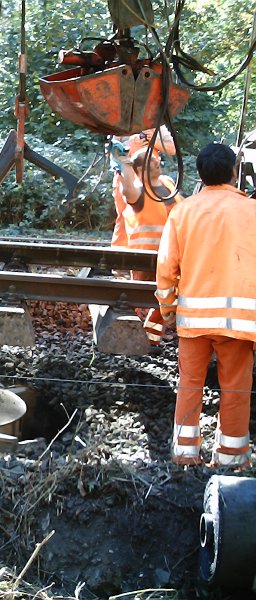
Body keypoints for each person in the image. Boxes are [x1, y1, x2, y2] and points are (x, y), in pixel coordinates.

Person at [155, 142, 256, 467]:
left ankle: (185, 454)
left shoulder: (183, 212)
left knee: (189, 384)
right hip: (240, 323)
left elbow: (166, 268)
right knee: (236, 388)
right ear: (234, 173)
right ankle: (231, 457)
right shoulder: (252, 212)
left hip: (193, 321)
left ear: (199, 174)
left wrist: (168, 310)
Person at [117, 146, 182, 345]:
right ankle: (121, 333)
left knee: (168, 296)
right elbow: (127, 190)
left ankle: (150, 338)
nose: (155, 162)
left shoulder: (169, 184)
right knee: (135, 298)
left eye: (154, 159)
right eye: (149, 160)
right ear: (139, 170)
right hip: (144, 258)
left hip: (171, 255)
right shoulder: (138, 191)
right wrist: (124, 163)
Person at [110, 126, 176, 247]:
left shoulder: (156, 123)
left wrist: (154, 141)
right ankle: (119, 258)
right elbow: (113, 151)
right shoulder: (120, 121)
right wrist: (128, 148)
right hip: (127, 177)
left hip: (151, 180)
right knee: (123, 220)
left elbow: (172, 148)